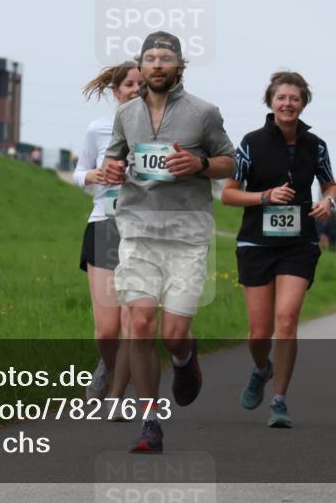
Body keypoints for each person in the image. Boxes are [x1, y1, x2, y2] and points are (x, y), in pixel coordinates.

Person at [102, 31, 235, 452]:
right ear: (140, 66)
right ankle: (150, 422)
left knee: (174, 334)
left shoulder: (203, 113)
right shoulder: (126, 114)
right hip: (138, 230)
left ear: (179, 66)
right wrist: (111, 170)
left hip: (187, 235)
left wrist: (198, 163)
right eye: (150, 58)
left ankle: (183, 355)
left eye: (165, 58)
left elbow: (230, 163)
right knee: (141, 324)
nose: (157, 65)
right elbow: (114, 157)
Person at [220, 71, 336, 428]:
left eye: (294, 98)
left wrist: (328, 202)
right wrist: (265, 196)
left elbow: (330, 185)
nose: (288, 104)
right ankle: (261, 368)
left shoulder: (315, 145)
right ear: (271, 102)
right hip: (256, 242)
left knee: (286, 320)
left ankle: (279, 401)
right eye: (281, 97)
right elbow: (228, 194)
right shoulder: (251, 143)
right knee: (259, 333)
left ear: (303, 104)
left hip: (299, 244)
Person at [73, 62, 144, 409]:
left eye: (142, 84)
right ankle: (109, 364)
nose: (136, 90)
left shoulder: (159, 132)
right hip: (105, 225)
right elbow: (78, 172)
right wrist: (95, 176)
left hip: (143, 230)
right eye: (129, 84)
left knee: (132, 320)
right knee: (106, 330)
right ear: (116, 91)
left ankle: (119, 391)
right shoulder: (98, 129)